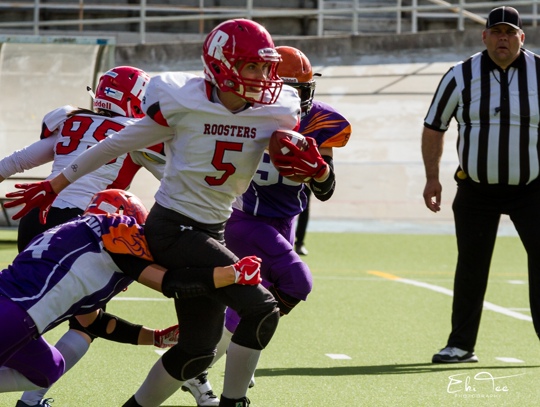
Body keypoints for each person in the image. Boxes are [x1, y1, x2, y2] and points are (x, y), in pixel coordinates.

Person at [2, 19, 326, 407]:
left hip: (213, 228)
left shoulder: (276, 111)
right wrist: (55, 184)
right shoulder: (182, 100)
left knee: (198, 350)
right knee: (261, 309)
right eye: (251, 66)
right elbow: (116, 143)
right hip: (173, 227)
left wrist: (319, 171)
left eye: (264, 67)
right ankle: (234, 402)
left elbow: (322, 186)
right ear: (221, 65)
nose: (262, 77)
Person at [180, 45, 352, 406]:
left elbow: (326, 190)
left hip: (285, 218)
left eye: (300, 89)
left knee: (255, 304)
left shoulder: (321, 121)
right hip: (244, 217)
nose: (294, 98)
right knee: (295, 282)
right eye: (286, 88)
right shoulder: (248, 114)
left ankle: (199, 365)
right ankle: (225, 380)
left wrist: (319, 170)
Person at [0, 65, 167, 407]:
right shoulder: (136, 132)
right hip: (85, 228)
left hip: (38, 217)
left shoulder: (71, 120)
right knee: (84, 323)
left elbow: (15, 162)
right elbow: (175, 182)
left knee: (30, 304)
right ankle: (31, 400)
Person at [0, 189, 261, 396]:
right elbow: (169, 283)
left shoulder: (77, 237)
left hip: (16, 315)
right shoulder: (117, 228)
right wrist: (230, 274)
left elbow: (94, 322)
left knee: (48, 369)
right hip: (14, 315)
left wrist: (156, 337)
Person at [422, 6, 540, 363]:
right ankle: (460, 345)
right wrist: (432, 177)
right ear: (484, 36)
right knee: (471, 267)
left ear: (522, 37)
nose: (503, 39)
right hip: (476, 190)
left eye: (510, 33)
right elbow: (434, 126)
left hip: (533, 190)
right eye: (497, 32)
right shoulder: (460, 75)